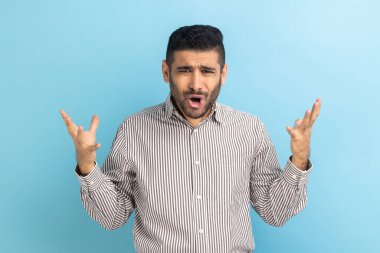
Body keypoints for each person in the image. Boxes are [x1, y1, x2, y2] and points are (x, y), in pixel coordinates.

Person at [60, 24, 321, 253]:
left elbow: (275, 212)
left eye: (207, 71)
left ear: (223, 73)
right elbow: (112, 217)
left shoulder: (249, 129)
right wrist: (87, 166)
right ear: (166, 71)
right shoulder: (134, 130)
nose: (196, 83)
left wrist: (298, 161)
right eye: (185, 70)